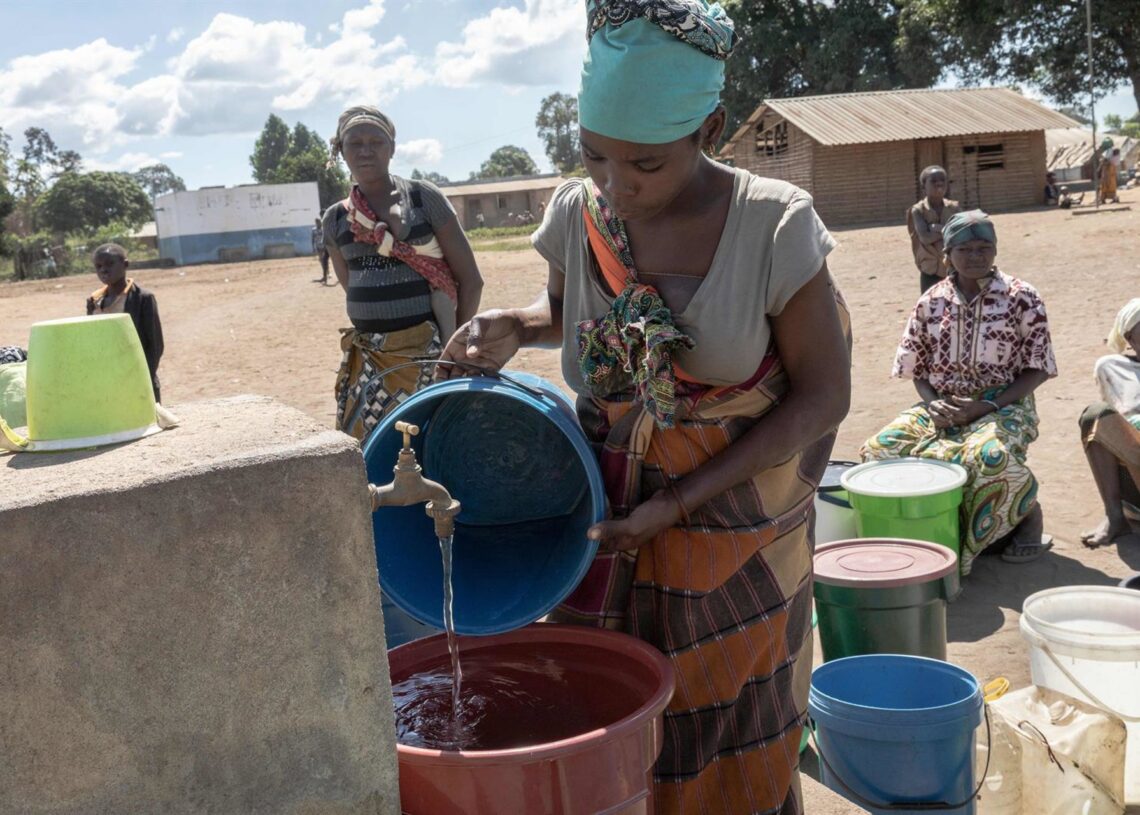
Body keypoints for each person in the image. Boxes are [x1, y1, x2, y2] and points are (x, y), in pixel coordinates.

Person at [438, 1, 851, 810]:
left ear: (713, 126)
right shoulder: (577, 215)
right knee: (613, 704)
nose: (616, 188)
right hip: (604, 513)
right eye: (594, 159)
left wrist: (680, 500)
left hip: (739, 525)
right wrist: (512, 325)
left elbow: (824, 393)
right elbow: (576, 316)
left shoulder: (773, 225)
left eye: (646, 167)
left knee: (734, 706)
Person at [861, 210, 1057, 573]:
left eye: (985, 248)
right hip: (943, 404)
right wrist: (934, 405)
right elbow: (916, 369)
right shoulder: (931, 301)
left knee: (990, 456)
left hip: (1004, 403)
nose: (976, 256)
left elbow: (1038, 367)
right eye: (965, 249)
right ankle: (930, 534)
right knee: (880, 449)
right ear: (947, 254)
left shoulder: (1022, 297)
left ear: (996, 251)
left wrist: (986, 406)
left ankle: (1027, 514)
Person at [322, 105, 483, 440]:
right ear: (340, 151)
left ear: (392, 148)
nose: (365, 150)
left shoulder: (423, 198)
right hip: (367, 364)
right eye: (354, 143)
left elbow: (470, 280)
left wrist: (455, 350)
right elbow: (352, 285)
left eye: (376, 142)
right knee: (372, 455)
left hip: (429, 359)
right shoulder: (336, 220)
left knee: (428, 446)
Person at [1079, 299, 1140, 547]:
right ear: (1130, 337)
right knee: (1096, 414)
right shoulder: (1113, 366)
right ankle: (1114, 515)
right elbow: (1121, 420)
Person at [85, 243, 164, 402]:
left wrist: (144, 377)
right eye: (98, 266)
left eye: (110, 264)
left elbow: (155, 345)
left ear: (125, 265)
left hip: (136, 376)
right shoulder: (94, 301)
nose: (103, 270)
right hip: (106, 378)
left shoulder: (142, 299)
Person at [907, 165, 961, 293]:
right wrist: (948, 231)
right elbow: (925, 238)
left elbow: (960, 233)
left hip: (954, 266)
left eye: (942, 180)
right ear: (923, 187)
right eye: (933, 181)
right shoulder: (918, 210)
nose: (939, 183)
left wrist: (937, 229)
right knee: (930, 306)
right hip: (930, 268)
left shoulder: (954, 208)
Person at [312, 216, 331, 284]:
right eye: (316, 222)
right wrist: (313, 248)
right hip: (318, 247)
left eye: (318, 222)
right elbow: (312, 239)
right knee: (321, 260)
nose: (318, 223)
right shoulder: (314, 230)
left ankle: (327, 273)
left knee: (325, 260)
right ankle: (325, 272)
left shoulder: (323, 229)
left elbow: (326, 237)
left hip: (324, 247)